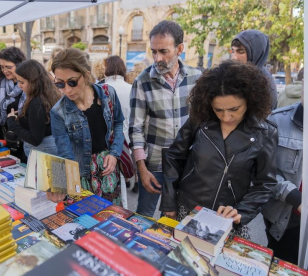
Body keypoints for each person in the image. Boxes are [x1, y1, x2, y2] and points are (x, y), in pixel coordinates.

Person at [161, 60, 278, 238]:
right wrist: (168, 200)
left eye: (234, 109)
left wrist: (242, 212)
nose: (226, 116)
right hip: (186, 206)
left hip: (226, 219)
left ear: (250, 99)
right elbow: (174, 156)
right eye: (218, 110)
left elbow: (265, 184)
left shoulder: (265, 132)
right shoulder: (200, 118)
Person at [129, 20, 202, 217]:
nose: (157, 58)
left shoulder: (197, 78)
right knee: (144, 215)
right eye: (153, 51)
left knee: (176, 217)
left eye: (163, 51)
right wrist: (141, 170)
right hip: (154, 165)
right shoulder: (142, 82)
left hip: (187, 164)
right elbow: (135, 129)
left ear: (179, 49)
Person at [48, 48, 125, 205]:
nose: (67, 90)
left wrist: (115, 153)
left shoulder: (108, 94)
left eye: (72, 82)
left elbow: (118, 123)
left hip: (107, 169)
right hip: (80, 173)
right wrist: (58, 184)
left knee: (112, 220)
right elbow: (64, 152)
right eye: (60, 83)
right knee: (83, 222)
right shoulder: (58, 112)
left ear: (86, 74)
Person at [262, 91, 304, 264]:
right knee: (283, 263)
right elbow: (262, 171)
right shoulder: (276, 121)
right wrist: (295, 197)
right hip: (285, 217)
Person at [7, 59, 61, 158]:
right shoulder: (48, 94)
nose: (19, 86)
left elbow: (35, 139)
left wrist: (12, 124)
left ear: (33, 81)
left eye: (22, 82)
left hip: (42, 151)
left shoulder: (36, 103)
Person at [104, 55, 132, 208]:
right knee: (121, 179)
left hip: (109, 140)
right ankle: (124, 210)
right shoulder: (130, 88)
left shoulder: (103, 88)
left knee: (113, 180)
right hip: (126, 139)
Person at [231, 29, 277, 110]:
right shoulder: (238, 74)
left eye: (241, 51)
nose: (234, 57)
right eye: (233, 51)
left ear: (256, 52)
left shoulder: (264, 83)